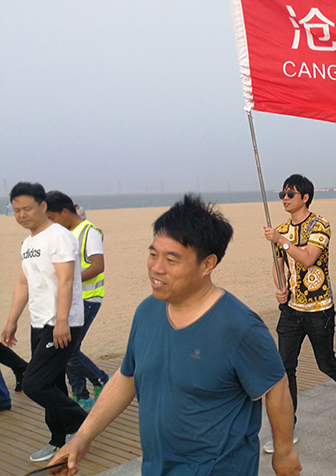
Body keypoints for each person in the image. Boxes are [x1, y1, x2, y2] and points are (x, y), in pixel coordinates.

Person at [50, 194, 300, 476]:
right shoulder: (147, 312)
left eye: (172, 259)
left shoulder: (240, 327)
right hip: (156, 468)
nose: (156, 268)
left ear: (207, 265)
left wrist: (284, 452)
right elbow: (127, 377)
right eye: (153, 254)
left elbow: (276, 386)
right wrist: (83, 437)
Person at [263, 173, 336, 449]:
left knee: (325, 362)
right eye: (282, 194)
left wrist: (281, 240)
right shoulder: (282, 229)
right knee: (285, 368)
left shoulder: (320, 225)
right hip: (291, 310)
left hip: (319, 309)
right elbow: (279, 267)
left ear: (305, 197)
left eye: (290, 194)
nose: (285, 198)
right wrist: (281, 288)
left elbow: (308, 258)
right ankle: (286, 430)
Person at [2, 182, 86, 462]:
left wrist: (62, 320)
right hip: (39, 322)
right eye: (16, 210)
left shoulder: (58, 236)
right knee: (53, 382)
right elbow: (23, 284)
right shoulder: (28, 243)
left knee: (34, 384)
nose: (21, 215)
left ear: (42, 206)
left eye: (27, 208)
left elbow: (66, 279)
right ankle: (58, 439)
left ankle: (83, 424)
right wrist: (12, 321)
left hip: (61, 322)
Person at [44, 191, 109, 411]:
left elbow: (98, 266)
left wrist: (70, 279)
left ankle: (102, 380)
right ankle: (81, 396)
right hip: (70, 300)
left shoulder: (89, 231)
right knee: (67, 349)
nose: (51, 223)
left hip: (88, 298)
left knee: (70, 352)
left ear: (64, 211)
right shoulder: (66, 234)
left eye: (52, 218)